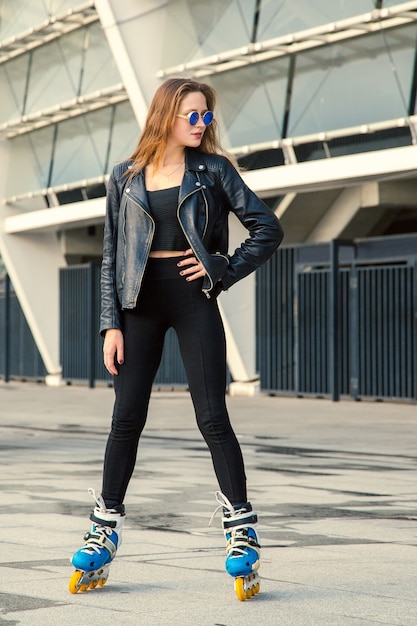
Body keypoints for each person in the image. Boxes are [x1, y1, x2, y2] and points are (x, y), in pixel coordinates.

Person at [69, 77, 284, 596]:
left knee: (212, 415)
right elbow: (111, 256)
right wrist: (110, 324)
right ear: (166, 115)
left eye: (206, 115)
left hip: (193, 298)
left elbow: (267, 227)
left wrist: (223, 269)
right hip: (138, 304)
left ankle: (242, 534)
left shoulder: (213, 171)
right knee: (126, 420)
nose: (201, 123)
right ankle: (103, 530)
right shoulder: (124, 176)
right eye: (192, 114)